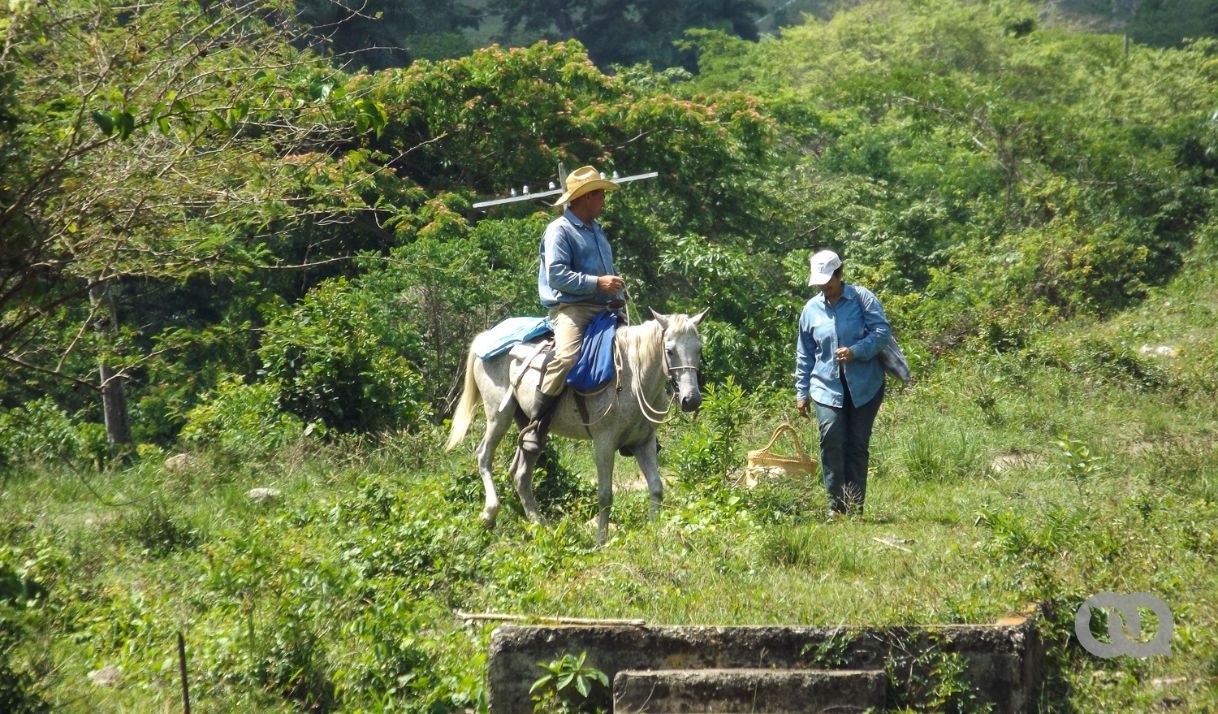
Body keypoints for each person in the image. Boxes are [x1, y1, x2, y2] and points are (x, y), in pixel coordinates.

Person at [518, 165, 625, 456]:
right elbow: (557, 276)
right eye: (600, 194)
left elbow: (608, 273)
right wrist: (598, 283)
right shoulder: (559, 231)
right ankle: (537, 424)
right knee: (565, 357)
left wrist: (616, 293)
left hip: (606, 307)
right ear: (585, 197)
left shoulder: (597, 231)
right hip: (571, 309)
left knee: (637, 352)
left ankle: (636, 427)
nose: (604, 199)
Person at [795, 249, 891, 517]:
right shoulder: (810, 310)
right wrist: (801, 392)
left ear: (840, 274)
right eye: (821, 282)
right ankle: (835, 506)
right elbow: (804, 352)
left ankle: (855, 507)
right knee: (832, 438)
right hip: (826, 387)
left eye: (830, 280)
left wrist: (856, 351)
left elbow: (882, 333)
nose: (826, 286)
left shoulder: (862, 299)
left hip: (865, 386)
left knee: (857, 444)